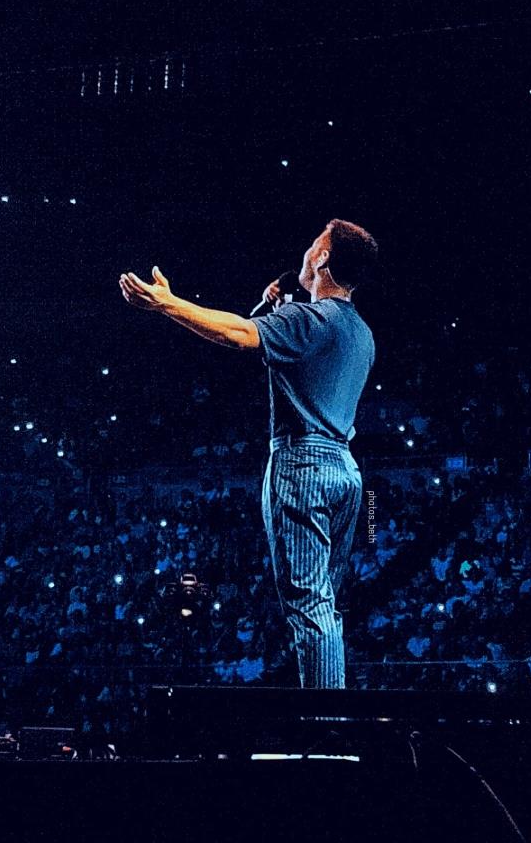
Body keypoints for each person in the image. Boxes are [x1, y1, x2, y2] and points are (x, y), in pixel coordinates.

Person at [119, 218, 378, 688]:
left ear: (321, 258)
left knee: (309, 604)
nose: (304, 252)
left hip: (304, 465)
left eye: (312, 243)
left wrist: (168, 304)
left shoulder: (309, 320)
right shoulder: (360, 332)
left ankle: (327, 733)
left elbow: (238, 334)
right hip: (347, 470)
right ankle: (338, 719)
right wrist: (275, 310)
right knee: (326, 602)